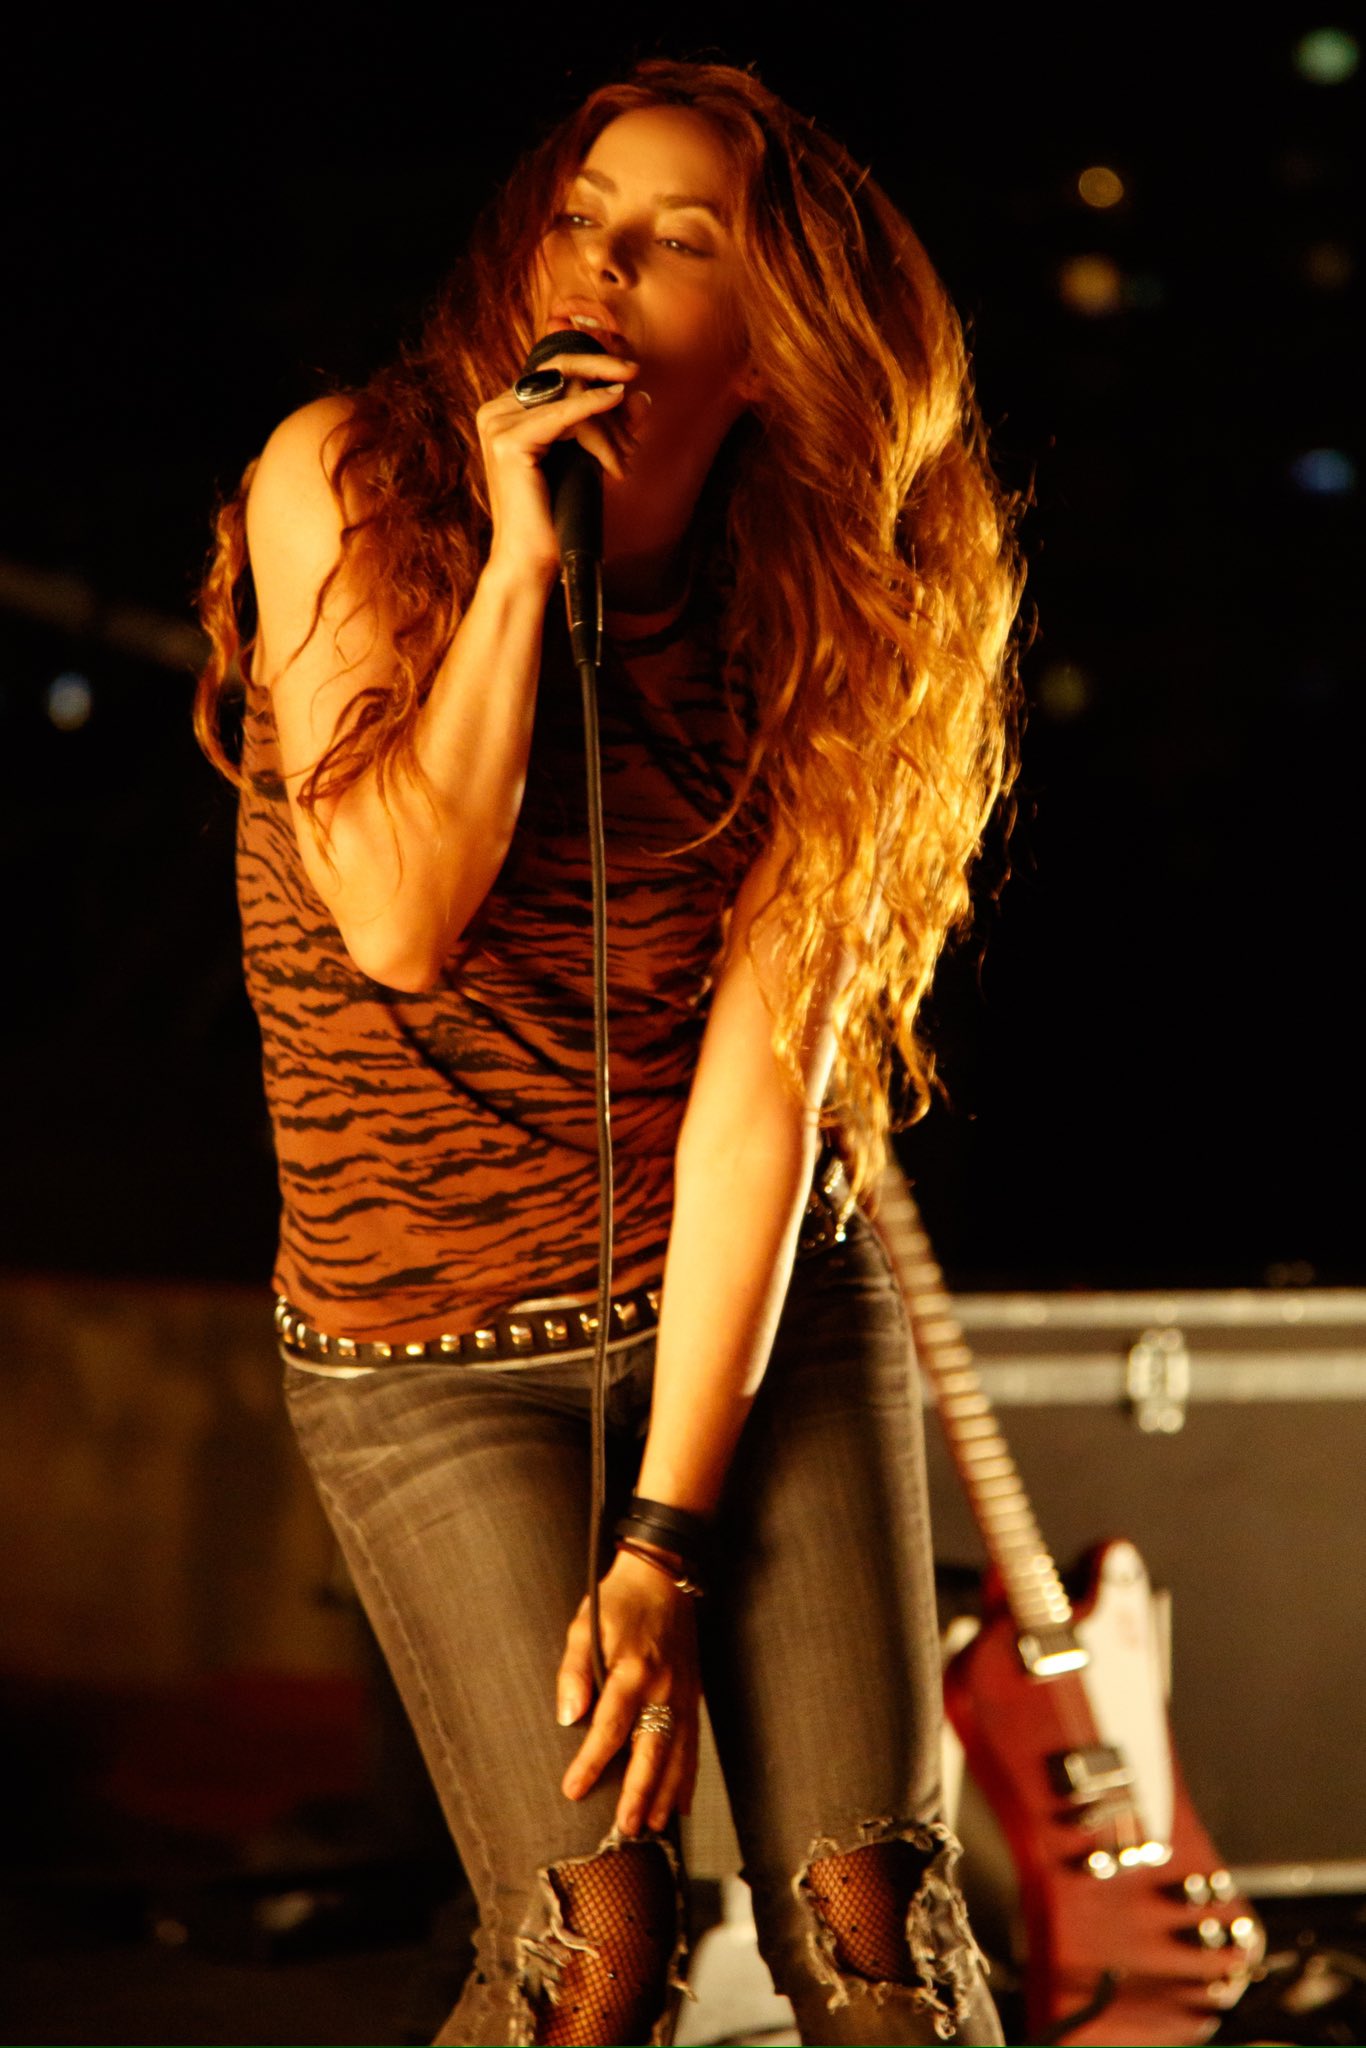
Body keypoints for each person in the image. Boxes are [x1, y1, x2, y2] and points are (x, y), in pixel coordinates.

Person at [195, 54, 1026, 2048]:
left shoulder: (839, 608)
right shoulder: (352, 480)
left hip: (745, 1315)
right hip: (431, 1346)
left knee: (875, 1925)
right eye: (580, 219)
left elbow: (758, 1095)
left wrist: (666, 1536)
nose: (599, 266)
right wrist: (520, 570)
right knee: (597, 1946)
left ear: (769, 336)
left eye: (676, 242)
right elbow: (400, 918)